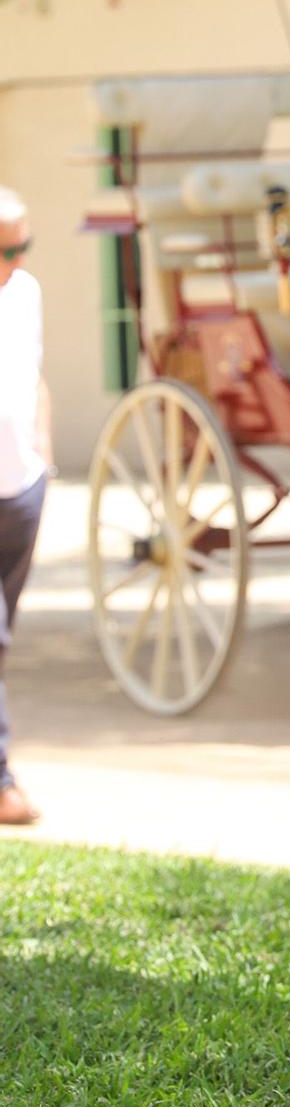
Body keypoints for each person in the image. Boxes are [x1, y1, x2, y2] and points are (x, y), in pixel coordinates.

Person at [0, 187, 52, 826]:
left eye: (20, 247)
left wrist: (45, 457)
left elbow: (34, 374)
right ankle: (3, 780)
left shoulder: (27, 291)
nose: (10, 261)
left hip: (21, 493)